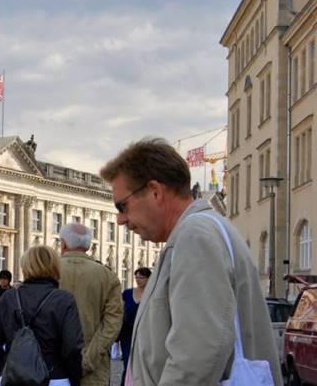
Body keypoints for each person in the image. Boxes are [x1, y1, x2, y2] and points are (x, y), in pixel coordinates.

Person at [99, 137, 282, 385]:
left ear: (155, 191)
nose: (120, 219)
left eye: (122, 206)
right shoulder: (197, 232)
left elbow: (198, 355)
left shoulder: (195, 237)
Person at [0, 245, 84, 386]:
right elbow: (73, 346)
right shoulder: (64, 299)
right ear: (55, 266)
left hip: (15, 376)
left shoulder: (9, 297)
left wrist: (1, 371)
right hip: (54, 376)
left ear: (25, 266)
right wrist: (75, 378)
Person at [58, 223, 123, 386]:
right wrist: (88, 358)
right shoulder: (107, 276)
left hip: (54, 368)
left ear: (63, 244)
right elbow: (112, 324)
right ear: (88, 245)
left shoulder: (48, 271)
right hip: (94, 369)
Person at [118, 267, 151, 385]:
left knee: (141, 364)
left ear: (148, 279)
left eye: (141, 277)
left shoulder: (151, 294)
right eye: (136, 277)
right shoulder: (127, 293)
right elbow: (119, 310)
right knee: (127, 363)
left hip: (144, 333)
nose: (138, 279)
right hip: (127, 333)